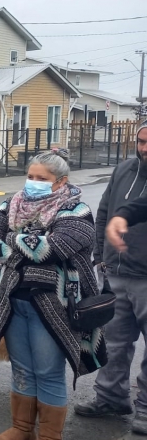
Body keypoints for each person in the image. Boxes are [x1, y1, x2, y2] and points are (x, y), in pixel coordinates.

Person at [0, 149, 107, 440]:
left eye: (42, 178)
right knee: (21, 368)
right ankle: (22, 427)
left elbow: (52, 249)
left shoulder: (77, 211)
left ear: (61, 181)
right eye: (30, 176)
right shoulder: (11, 203)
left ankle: (50, 435)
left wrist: (11, 240)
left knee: (48, 371)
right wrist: (29, 244)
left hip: (56, 305)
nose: (33, 182)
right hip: (13, 299)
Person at [76, 121, 147, 433]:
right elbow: (104, 212)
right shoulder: (124, 170)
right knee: (115, 342)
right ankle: (110, 398)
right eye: (141, 141)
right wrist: (100, 255)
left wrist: (124, 217)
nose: (144, 148)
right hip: (116, 272)